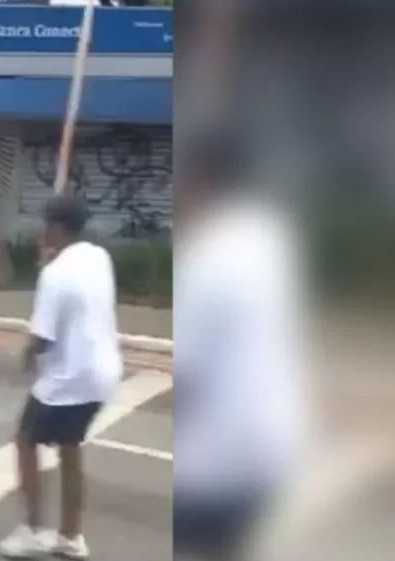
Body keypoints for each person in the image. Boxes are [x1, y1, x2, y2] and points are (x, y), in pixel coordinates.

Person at [174, 132, 307, 561]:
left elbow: (189, 369)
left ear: (202, 181)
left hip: (221, 453)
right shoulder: (268, 236)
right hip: (274, 440)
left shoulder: (206, 257)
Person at [0, 196, 121, 560]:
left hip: (68, 378)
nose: (41, 230)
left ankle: (33, 529)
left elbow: (43, 338)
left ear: (55, 227)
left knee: (24, 440)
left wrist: (24, 356)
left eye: (45, 224)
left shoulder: (55, 275)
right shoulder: (99, 257)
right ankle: (71, 535)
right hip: (103, 373)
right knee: (70, 448)